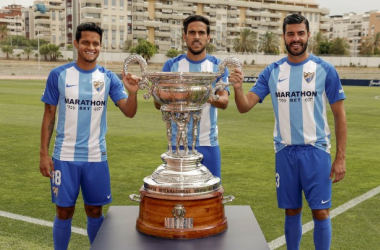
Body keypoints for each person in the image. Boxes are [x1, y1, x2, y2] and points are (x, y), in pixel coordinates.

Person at [231, 14, 347, 250]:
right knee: (292, 210)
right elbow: (244, 106)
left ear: (308, 35)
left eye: (300, 33)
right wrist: (237, 88)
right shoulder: (272, 71)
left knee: (321, 212)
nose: (296, 38)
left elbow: (339, 115)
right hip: (285, 152)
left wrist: (340, 157)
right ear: (283, 37)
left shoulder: (325, 69)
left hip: (316, 151)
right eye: (291, 34)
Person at [39, 22, 139, 249]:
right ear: (76, 43)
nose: (91, 47)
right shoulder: (59, 75)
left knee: (95, 210)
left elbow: (129, 112)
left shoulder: (108, 78)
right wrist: (44, 154)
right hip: (64, 157)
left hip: (96, 156)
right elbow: (48, 115)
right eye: (86, 42)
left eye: (95, 43)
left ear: (100, 46)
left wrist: (132, 94)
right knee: (64, 211)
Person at [154, 15, 242, 178]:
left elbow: (223, 102)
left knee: (210, 195)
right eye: (192, 32)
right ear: (185, 36)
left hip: (208, 144)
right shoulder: (171, 65)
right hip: (178, 144)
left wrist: (202, 94)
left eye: (201, 33)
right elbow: (158, 103)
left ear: (208, 37)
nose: (196, 37)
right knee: (180, 195)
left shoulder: (218, 67)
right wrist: (170, 95)